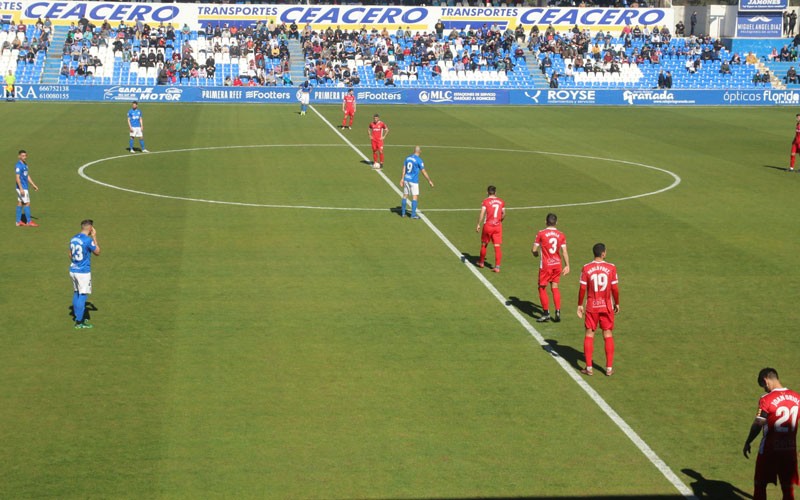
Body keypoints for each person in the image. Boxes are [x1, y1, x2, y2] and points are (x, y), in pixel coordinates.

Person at [743, 368, 800, 500]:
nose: (764, 389)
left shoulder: (766, 399)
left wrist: (748, 441)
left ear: (765, 380)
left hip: (769, 451)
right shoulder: (797, 398)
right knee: (787, 490)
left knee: (760, 487)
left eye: (763, 386)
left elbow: (758, 423)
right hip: (789, 451)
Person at [577, 243, 619, 377]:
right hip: (606, 306)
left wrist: (579, 304)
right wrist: (617, 303)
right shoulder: (611, 267)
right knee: (607, 334)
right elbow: (615, 289)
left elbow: (582, 288)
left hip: (592, 306)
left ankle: (589, 368)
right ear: (603, 253)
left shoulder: (586, 268)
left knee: (589, 334)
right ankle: (609, 368)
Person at [532, 213, 570, 322]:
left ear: (546, 222)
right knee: (555, 287)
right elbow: (564, 252)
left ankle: (546, 313)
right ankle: (557, 311)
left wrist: (535, 254)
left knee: (542, 287)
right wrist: (567, 265)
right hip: (557, 264)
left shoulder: (541, 233)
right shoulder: (561, 235)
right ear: (556, 222)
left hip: (546, 265)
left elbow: (534, 249)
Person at [69, 219, 101, 329]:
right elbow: (97, 252)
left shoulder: (73, 238)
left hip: (73, 270)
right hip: (83, 272)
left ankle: (77, 315)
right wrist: (95, 237)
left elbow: (70, 254)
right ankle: (79, 321)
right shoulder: (87, 240)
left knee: (76, 292)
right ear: (91, 228)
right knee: (83, 295)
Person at [476, 185, 505, 273]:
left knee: (484, 244)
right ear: (495, 192)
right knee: (497, 246)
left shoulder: (486, 201)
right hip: (498, 226)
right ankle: (497, 267)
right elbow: (503, 214)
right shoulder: (501, 201)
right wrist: (500, 221)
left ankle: (481, 262)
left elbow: (482, 213)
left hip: (488, 226)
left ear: (487, 192)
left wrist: (478, 224)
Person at [399, 146, 433, 219]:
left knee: (405, 195)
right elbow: (423, 171)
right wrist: (429, 180)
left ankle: (403, 213)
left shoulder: (407, 158)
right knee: (414, 197)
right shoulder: (419, 160)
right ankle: (413, 215)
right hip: (413, 181)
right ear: (419, 151)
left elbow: (404, 168)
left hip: (406, 179)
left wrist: (402, 179)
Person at [15, 150, 39, 227]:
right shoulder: (18, 165)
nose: (24, 157)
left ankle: (18, 222)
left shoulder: (25, 165)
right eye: (22, 156)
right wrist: (21, 188)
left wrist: (33, 184)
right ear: (19, 156)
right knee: (27, 203)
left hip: (24, 187)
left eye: (25, 155)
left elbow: (27, 176)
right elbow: (17, 178)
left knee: (20, 203)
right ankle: (29, 222)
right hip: (22, 188)